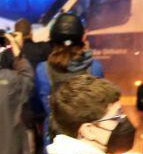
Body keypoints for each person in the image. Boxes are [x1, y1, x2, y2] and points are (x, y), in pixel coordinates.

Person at [32, 13, 105, 145]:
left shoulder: (43, 69)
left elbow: (37, 107)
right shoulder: (95, 67)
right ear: (81, 37)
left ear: (53, 38)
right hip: (87, 141)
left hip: (55, 143)